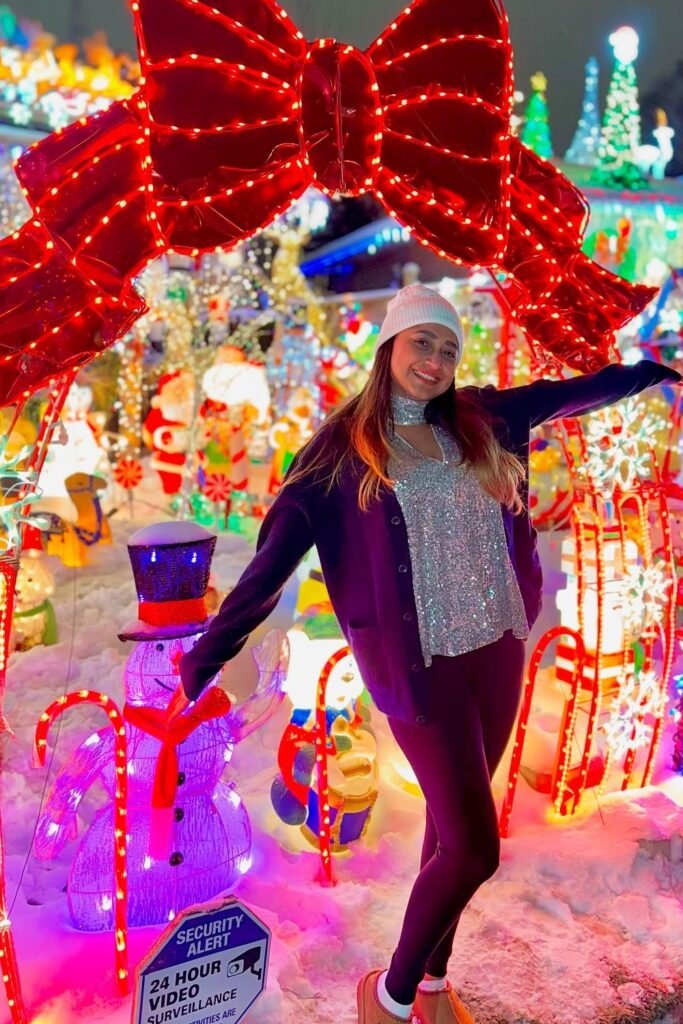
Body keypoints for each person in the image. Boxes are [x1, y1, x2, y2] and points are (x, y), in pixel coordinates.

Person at [171, 284, 681, 1024]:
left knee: (448, 832)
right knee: (476, 850)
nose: (435, 360)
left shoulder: (481, 418)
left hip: (497, 652)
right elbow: (269, 568)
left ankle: (434, 986)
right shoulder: (338, 455)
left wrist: (648, 374)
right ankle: (389, 996)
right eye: (421, 342)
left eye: (447, 348)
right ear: (390, 345)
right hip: (421, 672)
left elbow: (574, 394)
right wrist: (203, 660)